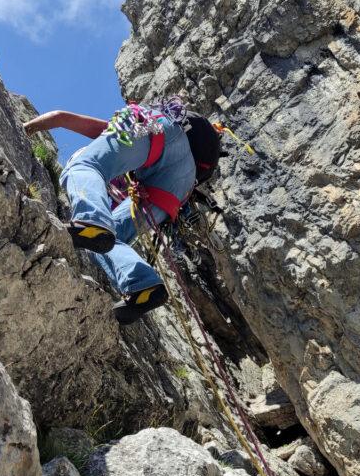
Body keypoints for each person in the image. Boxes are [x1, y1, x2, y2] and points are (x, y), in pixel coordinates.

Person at [23, 100, 222, 324]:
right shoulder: (131, 154)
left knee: (85, 166)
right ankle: (143, 285)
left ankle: (90, 218)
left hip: (155, 129)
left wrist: (24, 128)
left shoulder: (115, 136)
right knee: (106, 239)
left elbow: (59, 116)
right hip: (182, 183)